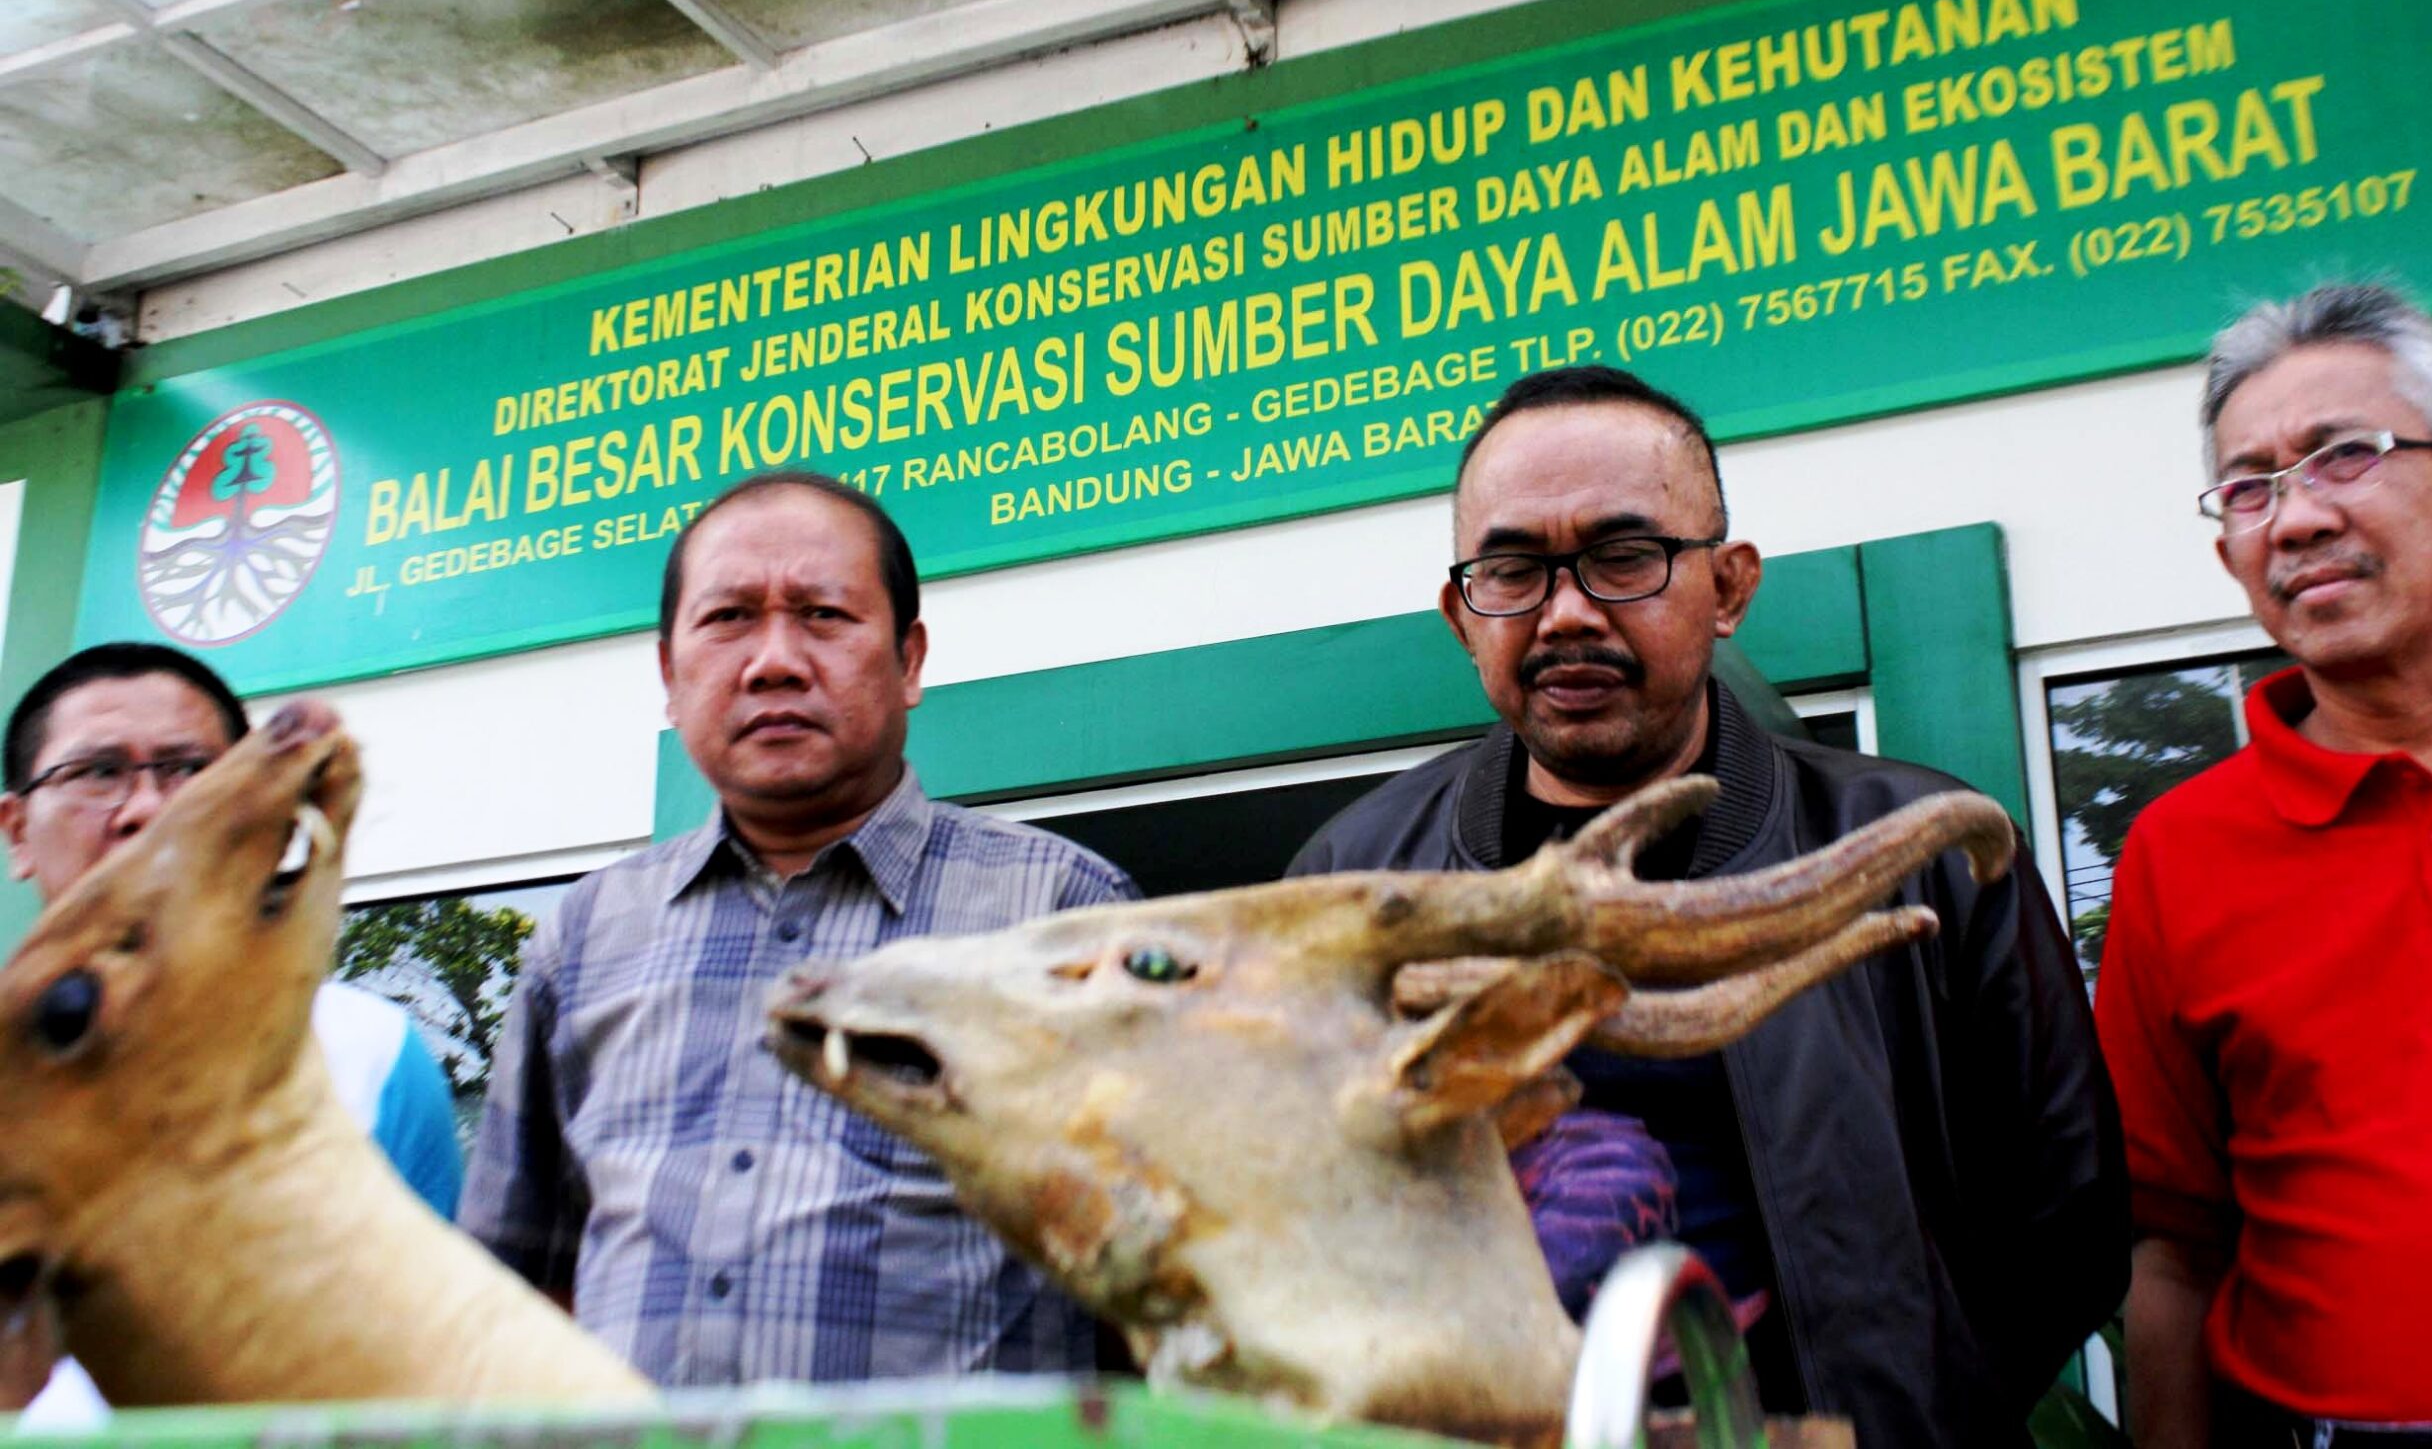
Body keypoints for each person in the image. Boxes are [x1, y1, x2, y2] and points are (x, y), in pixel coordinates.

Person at [1288, 365, 2126, 1445]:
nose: (1566, 614)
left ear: (1729, 587)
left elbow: (2069, 1227)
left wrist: (1921, 1416)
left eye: (1624, 558)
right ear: (1461, 613)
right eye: (1513, 571)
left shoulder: (1917, 851)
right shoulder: (1351, 884)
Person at [461, 473, 1137, 1385]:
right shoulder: (585, 937)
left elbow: (1164, 1283)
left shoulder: (1063, 914)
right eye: (729, 617)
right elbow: (510, 1289)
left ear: (908, 661)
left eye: (823, 614)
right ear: (670, 673)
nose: (773, 659)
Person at [2097, 284, 2432, 1448]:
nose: (2294, 520)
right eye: (2249, 487)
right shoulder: (2181, 851)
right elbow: (2169, 1245)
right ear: (2229, 554)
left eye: (2343, 455)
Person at [0, 642, 462, 1424]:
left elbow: (428, 1374)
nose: (146, 808)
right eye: (97, 772)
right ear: (15, 830)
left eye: (190, 770)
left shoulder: (376, 1053)